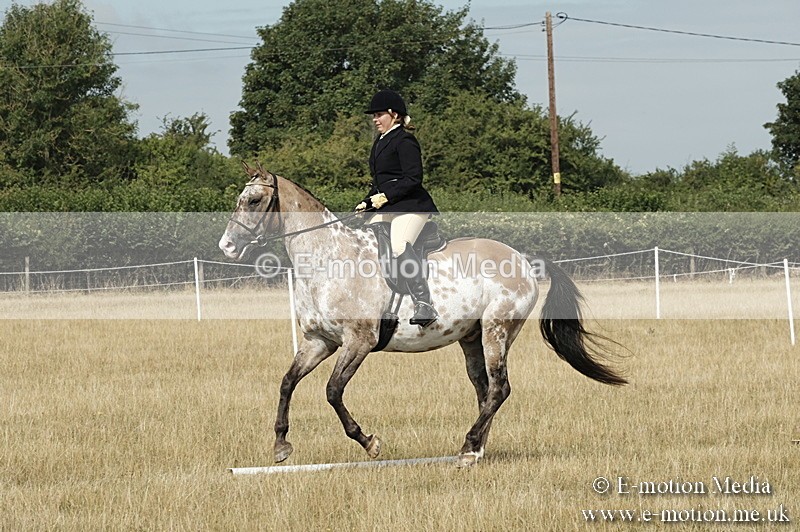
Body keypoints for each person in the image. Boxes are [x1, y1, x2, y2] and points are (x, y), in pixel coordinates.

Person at [355, 89, 439, 327]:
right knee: (365, 245)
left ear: (394, 115)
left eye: (379, 114)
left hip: (412, 206)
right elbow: (380, 182)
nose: (375, 119)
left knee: (399, 244)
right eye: (374, 115)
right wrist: (367, 201)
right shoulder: (379, 142)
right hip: (389, 206)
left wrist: (384, 197)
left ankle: (424, 303)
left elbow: (413, 178)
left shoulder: (405, 140)